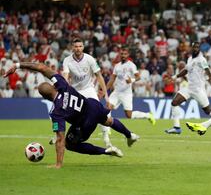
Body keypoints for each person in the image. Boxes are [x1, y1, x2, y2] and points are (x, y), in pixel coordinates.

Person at [4, 62, 140, 169]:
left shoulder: (56, 112)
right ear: (53, 87)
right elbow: (41, 67)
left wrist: (58, 164)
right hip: (92, 105)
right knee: (109, 121)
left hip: (85, 122)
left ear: (45, 98)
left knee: (69, 144)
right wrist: (17, 65)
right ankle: (130, 135)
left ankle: (106, 151)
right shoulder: (61, 83)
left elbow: (60, 139)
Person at [50, 38, 112, 148]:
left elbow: (99, 76)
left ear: (83, 47)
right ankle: (58, 135)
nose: (78, 48)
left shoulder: (90, 59)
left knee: (100, 112)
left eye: (80, 46)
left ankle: (106, 137)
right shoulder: (67, 60)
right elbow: (65, 76)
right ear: (72, 48)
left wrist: (106, 96)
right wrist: (64, 90)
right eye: (76, 46)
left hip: (88, 89)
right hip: (75, 91)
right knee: (63, 110)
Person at [165, 42, 211, 135]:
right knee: (174, 103)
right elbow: (186, 70)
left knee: (208, 111)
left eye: (197, 47)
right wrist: (175, 77)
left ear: (199, 49)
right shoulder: (190, 59)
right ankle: (177, 127)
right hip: (189, 88)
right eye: (194, 47)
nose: (195, 49)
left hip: (198, 90)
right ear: (191, 48)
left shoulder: (202, 60)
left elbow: (208, 73)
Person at [106, 48, 156, 125]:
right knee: (107, 108)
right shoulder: (117, 66)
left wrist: (131, 80)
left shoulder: (131, 65)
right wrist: (105, 90)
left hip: (126, 93)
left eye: (125, 54)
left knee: (129, 115)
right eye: (122, 54)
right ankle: (106, 131)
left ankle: (148, 115)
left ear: (128, 55)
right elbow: (112, 79)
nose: (123, 55)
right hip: (116, 92)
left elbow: (138, 77)